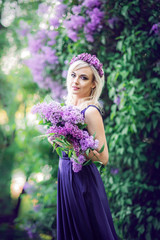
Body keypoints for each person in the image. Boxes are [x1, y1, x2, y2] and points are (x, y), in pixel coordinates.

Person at [50, 53, 118, 240]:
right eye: (73, 75)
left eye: (84, 77)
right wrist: (56, 139)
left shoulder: (91, 112)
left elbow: (104, 158)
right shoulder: (67, 109)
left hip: (82, 182)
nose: (76, 81)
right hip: (65, 177)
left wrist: (74, 146)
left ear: (93, 83)